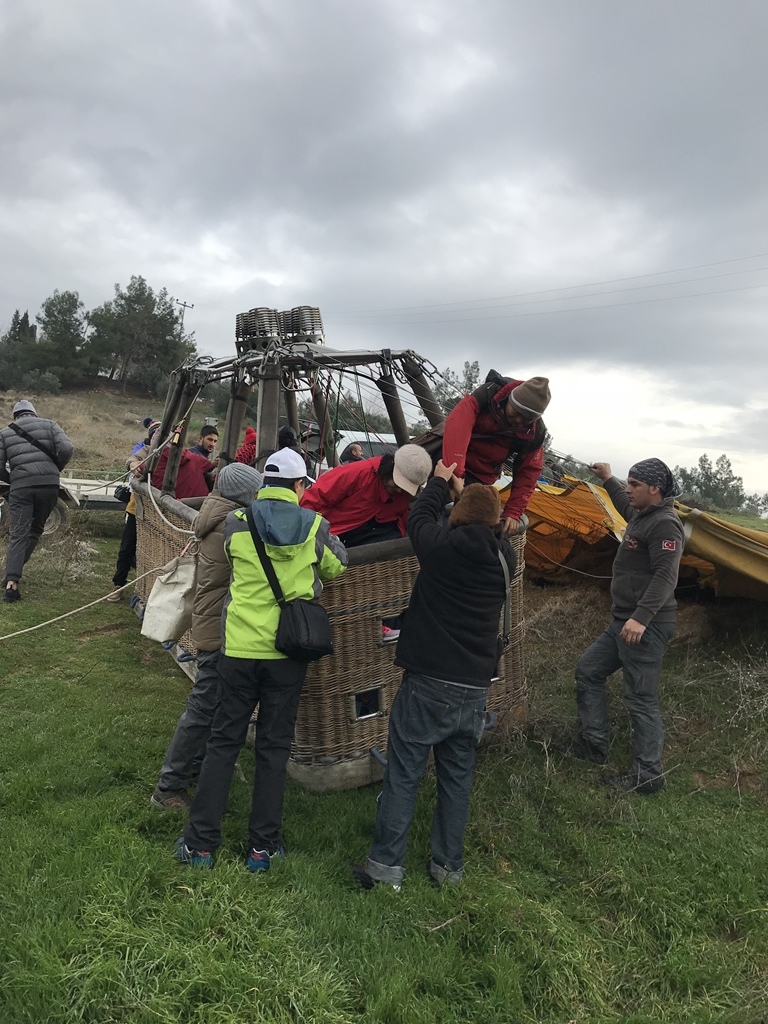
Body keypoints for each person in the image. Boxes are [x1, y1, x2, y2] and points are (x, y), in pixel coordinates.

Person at [176, 448, 348, 870]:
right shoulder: (316, 526)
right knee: (274, 748)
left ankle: (200, 845)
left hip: (237, 648)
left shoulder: (236, 523)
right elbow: (336, 567)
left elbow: (232, 560)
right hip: (288, 652)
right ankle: (263, 847)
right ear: (299, 485)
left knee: (223, 741)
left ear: (263, 482)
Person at [353, 461, 516, 890]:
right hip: (475, 687)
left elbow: (419, 515)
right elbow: (477, 527)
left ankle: (386, 868)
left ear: (458, 516)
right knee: (456, 781)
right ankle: (448, 869)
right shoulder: (505, 558)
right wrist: (466, 497)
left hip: (429, 683)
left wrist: (442, 480)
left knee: (404, 773)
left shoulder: (441, 549)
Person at [565, 459, 684, 794]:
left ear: (654, 489)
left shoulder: (665, 524)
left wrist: (641, 618)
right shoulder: (643, 516)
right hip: (623, 621)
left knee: (641, 698)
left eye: (634, 484)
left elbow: (666, 576)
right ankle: (594, 745)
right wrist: (607, 479)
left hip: (643, 626)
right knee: (588, 670)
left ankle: (648, 775)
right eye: (627, 483)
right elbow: (623, 504)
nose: (628, 489)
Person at [151, 463, 263, 811]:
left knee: (213, 705)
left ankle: (196, 768)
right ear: (245, 495)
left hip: (212, 625)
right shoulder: (232, 527)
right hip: (220, 631)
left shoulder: (215, 517)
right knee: (202, 709)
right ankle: (167, 788)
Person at [442, 373, 550, 537]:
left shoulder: (535, 433)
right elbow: (459, 424)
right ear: (510, 401)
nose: (519, 420)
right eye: (517, 412)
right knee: (435, 504)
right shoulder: (488, 393)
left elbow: (528, 473)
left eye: (526, 418)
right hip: (454, 464)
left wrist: (513, 511)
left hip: (482, 475)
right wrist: (455, 474)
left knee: (470, 526)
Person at [0, 400, 74, 603]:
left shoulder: (5, 433)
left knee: (18, 534)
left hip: (21, 489)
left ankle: (11, 583)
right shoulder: (50, 424)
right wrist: (54, 470)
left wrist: (14, 479)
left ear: (16, 416)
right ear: (33, 413)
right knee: (35, 530)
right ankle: (11, 574)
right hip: (49, 487)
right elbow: (67, 448)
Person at [300, 445, 432, 547]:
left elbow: (403, 517)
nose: (399, 491)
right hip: (333, 532)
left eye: (404, 488)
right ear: (389, 469)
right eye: (397, 484)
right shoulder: (358, 473)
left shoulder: (402, 494)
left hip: (373, 533)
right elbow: (315, 497)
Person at [106, 421, 162, 602]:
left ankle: (150, 590)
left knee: (154, 552)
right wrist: (133, 465)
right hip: (136, 508)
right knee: (127, 548)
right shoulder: (146, 451)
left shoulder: (172, 455)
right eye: (155, 435)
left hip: (159, 512)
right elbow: (131, 460)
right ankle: (118, 585)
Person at [150, 445, 215, 499]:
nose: (212, 444)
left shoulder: (153, 463)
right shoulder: (195, 458)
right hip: (201, 505)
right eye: (210, 440)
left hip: (172, 505)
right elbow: (209, 465)